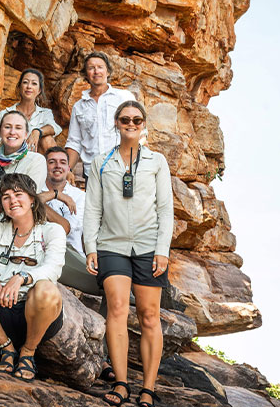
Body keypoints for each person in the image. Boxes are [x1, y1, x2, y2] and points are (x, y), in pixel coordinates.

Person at [84, 100, 173, 406]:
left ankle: (148, 389)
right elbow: (92, 209)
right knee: (118, 308)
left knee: (149, 315)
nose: (131, 123)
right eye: (125, 119)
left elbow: (165, 209)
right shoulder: (101, 163)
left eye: (137, 119)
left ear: (144, 123)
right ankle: (121, 384)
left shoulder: (157, 161)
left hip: (149, 247)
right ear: (116, 123)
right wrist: (90, 247)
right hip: (111, 245)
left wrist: (163, 250)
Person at [0, 173, 65, 381]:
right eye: (6, 197)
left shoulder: (53, 230)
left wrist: (22, 277)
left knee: (47, 289)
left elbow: (54, 268)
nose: (12, 200)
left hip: (36, 313)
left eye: (18, 194)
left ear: (33, 199)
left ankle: (28, 352)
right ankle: (6, 348)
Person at [65, 51, 135, 185]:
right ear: (86, 75)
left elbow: (140, 133)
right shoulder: (79, 107)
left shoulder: (124, 97)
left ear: (108, 71)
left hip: (121, 169)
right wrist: (68, 169)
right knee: (95, 207)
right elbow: (74, 142)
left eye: (100, 67)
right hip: (92, 172)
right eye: (91, 68)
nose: (96, 71)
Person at [36, 147, 96, 295]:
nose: (57, 166)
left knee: (108, 281)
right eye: (52, 162)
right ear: (45, 166)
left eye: (62, 162)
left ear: (68, 168)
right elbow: (28, 200)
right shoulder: (35, 188)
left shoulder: (79, 196)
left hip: (69, 255)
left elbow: (64, 229)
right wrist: (56, 195)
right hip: (39, 251)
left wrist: (40, 202)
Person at [0, 68, 62, 153]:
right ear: (19, 87)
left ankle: (55, 165)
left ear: (39, 90)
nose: (29, 86)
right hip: (13, 159)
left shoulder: (45, 113)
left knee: (47, 139)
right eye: (25, 82)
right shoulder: (5, 113)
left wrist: (37, 131)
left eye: (34, 83)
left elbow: (54, 128)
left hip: (36, 160)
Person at [0, 111, 47, 191]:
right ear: (0, 132)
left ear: (26, 134)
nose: (12, 132)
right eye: (7, 127)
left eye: (18, 128)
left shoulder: (36, 161)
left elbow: (30, 196)